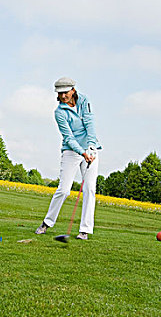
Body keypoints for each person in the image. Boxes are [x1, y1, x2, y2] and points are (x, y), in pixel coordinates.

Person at [35, 77, 102, 240]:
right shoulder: (59, 112)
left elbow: (89, 123)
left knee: (89, 189)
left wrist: (91, 147)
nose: (63, 96)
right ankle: (46, 223)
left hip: (90, 149)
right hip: (71, 151)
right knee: (64, 189)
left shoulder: (84, 101)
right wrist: (82, 152)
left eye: (65, 92)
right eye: (60, 93)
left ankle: (84, 230)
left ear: (73, 90)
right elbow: (69, 137)